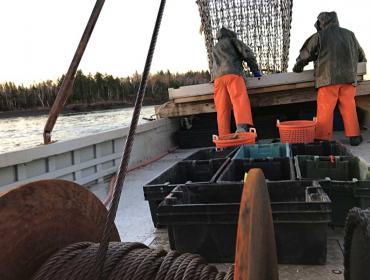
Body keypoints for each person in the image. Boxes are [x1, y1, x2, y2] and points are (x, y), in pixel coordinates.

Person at [293, 11, 366, 146]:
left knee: (325, 108)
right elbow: (360, 54)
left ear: (321, 23)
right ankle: (354, 136)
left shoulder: (319, 36)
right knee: (349, 106)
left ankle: (322, 138)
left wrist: (298, 66)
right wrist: (362, 65)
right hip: (349, 78)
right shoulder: (350, 34)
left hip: (327, 79)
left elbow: (306, 53)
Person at [212, 27, 262, 136]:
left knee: (222, 108)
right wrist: (255, 71)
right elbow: (247, 54)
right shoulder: (232, 41)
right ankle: (241, 131)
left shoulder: (215, 47)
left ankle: (223, 136)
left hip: (218, 79)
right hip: (233, 74)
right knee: (239, 101)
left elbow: (215, 64)